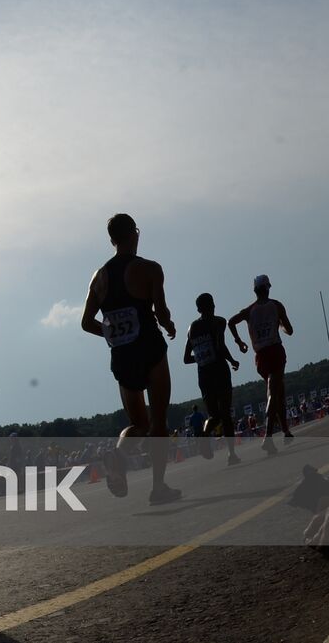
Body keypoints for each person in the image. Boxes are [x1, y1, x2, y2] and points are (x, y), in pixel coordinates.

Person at [80, 214, 181, 505]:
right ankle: (158, 487)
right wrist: (170, 326)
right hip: (150, 347)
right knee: (158, 422)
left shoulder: (99, 277)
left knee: (138, 423)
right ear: (135, 234)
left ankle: (119, 455)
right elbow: (160, 312)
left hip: (122, 355)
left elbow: (87, 322)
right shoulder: (150, 269)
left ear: (112, 240)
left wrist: (110, 334)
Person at [229, 275, 295, 453]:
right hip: (274, 350)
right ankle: (268, 435)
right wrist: (279, 325)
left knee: (278, 390)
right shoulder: (276, 305)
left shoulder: (249, 310)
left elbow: (231, 322)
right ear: (267, 288)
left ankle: (286, 431)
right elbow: (290, 330)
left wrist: (239, 342)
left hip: (260, 356)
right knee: (273, 393)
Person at [183, 293, 241, 465]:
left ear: (198, 309)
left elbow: (186, 358)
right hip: (219, 371)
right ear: (212, 306)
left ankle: (204, 434)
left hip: (204, 375)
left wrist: (200, 358)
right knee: (225, 414)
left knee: (214, 415)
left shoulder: (191, 328)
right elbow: (220, 346)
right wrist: (232, 360)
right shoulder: (219, 322)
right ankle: (231, 454)